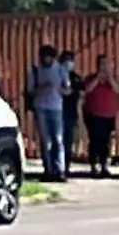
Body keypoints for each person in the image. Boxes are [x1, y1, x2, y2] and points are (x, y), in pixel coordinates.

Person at [27, 45, 69, 182]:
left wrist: (60, 89)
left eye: (50, 57)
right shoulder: (35, 71)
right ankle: (48, 169)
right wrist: (42, 87)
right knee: (46, 141)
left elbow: (67, 90)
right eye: (45, 57)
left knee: (58, 139)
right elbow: (30, 91)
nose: (47, 60)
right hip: (41, 107)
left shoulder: (60, 69)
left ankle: (60, 169)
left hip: (57, 106)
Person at [82, 54, 119, 177]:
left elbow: (118, 90)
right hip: (94, 114)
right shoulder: (91, 78)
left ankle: (104, 165)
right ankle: (94, 164)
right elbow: (87, 90)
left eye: (106, 64)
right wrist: (97, 79)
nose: (104, 66)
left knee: (106, 141)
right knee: (94, 140)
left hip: (109, 115)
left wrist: (109, 78)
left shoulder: (113, 79)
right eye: (102, 64)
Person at [60, 51, 85, 173]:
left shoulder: (76, 77)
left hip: (70, 113)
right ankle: (57, 166)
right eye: (66, 60)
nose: (68, 63)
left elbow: (81, 92)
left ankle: (66, 166)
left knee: (68, 141)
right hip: (57, 112)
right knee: (57, 141)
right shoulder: (57, 75)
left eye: (70, 60)